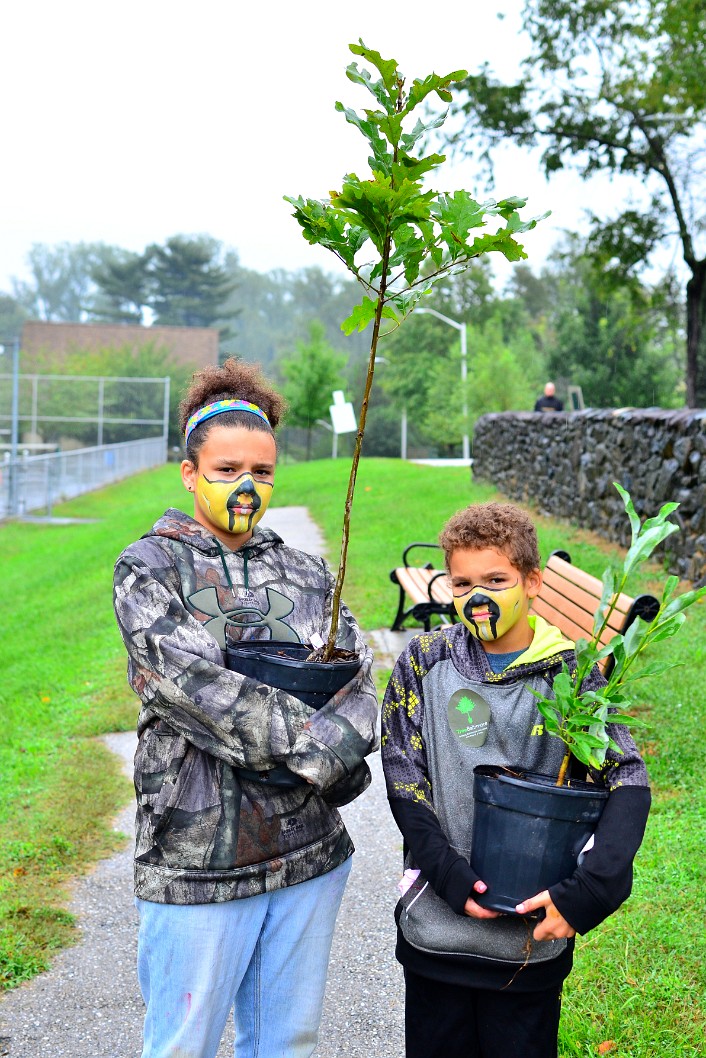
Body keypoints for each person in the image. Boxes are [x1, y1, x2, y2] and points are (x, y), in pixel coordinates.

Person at [113, 357, 378, 1058]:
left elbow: (358, 675)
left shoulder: (308, 571)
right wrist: (321, 751)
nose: (247, 486)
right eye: (228, 469)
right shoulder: (149, 569)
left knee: (286, 1043)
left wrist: (344, 750)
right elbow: (195, 689)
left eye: (261, 472)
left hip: (308, 854)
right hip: (198, 859)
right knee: (182, 1045)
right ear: (190, 473)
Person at [381, 502, 650, 1058]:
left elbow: (626, 776)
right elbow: (404, 779)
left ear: (533, 582)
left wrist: (590, 891)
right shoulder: (423, 662)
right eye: (462, 582)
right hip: (437, 928)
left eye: (496, 580)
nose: (477, 597)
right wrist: (450, 875)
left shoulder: (572, 676)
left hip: (530, 943)